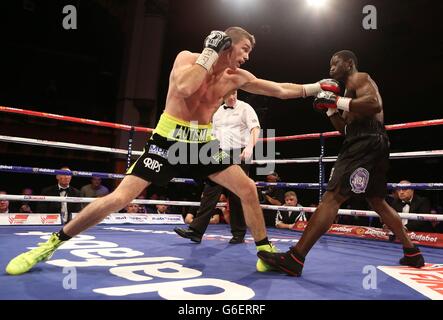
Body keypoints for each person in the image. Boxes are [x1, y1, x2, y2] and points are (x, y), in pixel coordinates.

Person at [6, 26, 339, 275]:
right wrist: (209, 53)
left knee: (248, 188)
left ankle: (264, 250)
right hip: (168, 141)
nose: (247, 55)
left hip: (203, 145)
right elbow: (185, 87)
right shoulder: (188, 59)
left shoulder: (236, 77)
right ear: (228, 42)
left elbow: (279, 89)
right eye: (245, 48)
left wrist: (314, 88)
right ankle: (51, 244)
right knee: (119, 199)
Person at [258, 50, 425, 276]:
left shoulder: (360, 78)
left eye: (335, 63)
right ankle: (412, 252)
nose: (331, 68)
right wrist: (330, 109)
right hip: (370, 142)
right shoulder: (348, 93)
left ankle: (295, 258)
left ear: (349, 63)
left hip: (364, 143)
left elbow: (374, 104)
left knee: (332, 196)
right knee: (377, 200)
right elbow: (346, 130)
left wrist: (337, 100)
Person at [174, 89, 260, 244]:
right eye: (229, 94)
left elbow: (255, 129)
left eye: (235, 93)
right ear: (222, 96)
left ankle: (239, 234)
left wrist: (250, 147)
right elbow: (211, 133)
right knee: (210, 190)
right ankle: (196, 231)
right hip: (218, 152)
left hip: (239, 152)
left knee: (236, 194)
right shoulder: (217, 112)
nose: (233, 97)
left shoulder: (245, 108)